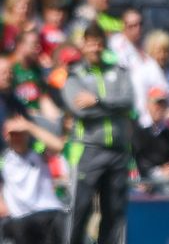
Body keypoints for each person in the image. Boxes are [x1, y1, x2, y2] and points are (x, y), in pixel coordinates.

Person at [62, 23, 134, 244]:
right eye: (90, 43)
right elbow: (78, 110)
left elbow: (128, 101)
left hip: (117, 153)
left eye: (99, 43)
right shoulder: (75, 75)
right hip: (89, 150)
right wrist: (112, 108)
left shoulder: (118, 72)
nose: (95, 47)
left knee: (113, 213)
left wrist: (97, 101)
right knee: (79, 211)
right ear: (83, 45)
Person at [0, 115, 67, 244]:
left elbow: (58, 146)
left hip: (49, 212)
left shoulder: (38, 152)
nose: (17, 138)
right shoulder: (4, 160)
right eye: (13, 134)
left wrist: (29, 127)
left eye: (20, 134)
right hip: (21, 218)